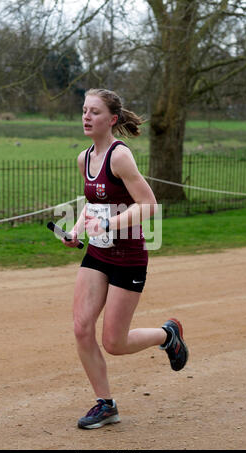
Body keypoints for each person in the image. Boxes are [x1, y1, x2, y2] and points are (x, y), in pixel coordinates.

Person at [62, 88, 188, 430]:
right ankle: (105, 404)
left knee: (114, 343)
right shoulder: (83, 158)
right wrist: (76, 230)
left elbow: (148, 205)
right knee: (81, 327)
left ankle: (167, 335)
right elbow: (93, 200)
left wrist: (108, 223)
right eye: (84, 110)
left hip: (128, 258)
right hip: (97, 254)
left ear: (112, 119)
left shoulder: (120, 157)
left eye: (95, 112)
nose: (87, 117)